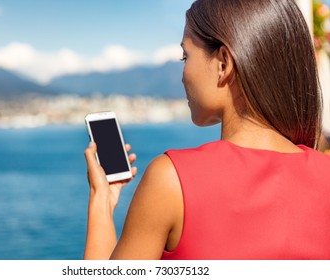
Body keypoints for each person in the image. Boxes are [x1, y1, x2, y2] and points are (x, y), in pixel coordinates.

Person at [84, 0, 330, 260]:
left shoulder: (172, 180)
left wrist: (102, 199)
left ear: (223, 63)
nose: (182, 74)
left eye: (185, 56)